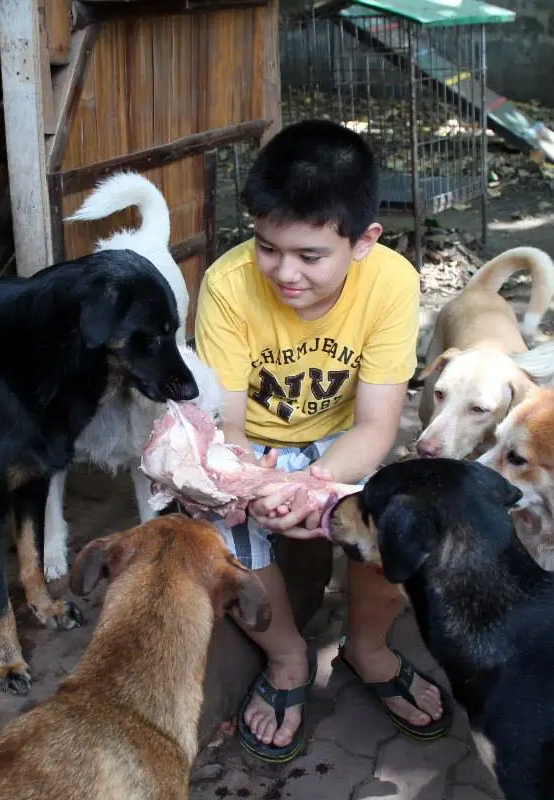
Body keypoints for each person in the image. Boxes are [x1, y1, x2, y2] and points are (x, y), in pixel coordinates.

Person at [193, 118, 452, 765]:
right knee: (223, 537)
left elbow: (375, 426)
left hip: (340, 440)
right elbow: (226, 428)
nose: (284, 272)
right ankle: (287, 658)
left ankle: (367, 649)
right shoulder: (226, 285)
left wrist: (313, 486)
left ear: (364, 241)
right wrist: (255, 482)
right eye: (267, 246)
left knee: (387, 528)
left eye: (310, 256)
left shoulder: (391, 281)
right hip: (255, 447)